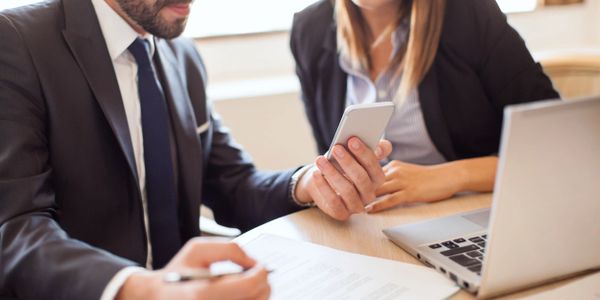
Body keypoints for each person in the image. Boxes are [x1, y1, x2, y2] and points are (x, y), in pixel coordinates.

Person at [0, 0, 392, 299]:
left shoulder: (180, 56)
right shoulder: (17, 41)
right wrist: (142, 288)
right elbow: (14, 229)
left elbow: (233, 184)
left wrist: (309, 182)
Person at [290, 0, 559, 213]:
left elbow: (556, 144)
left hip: (469, 213)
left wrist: (451, 177)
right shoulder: (309, 29)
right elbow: (328, 162)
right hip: (368, 224)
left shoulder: (469, 13)